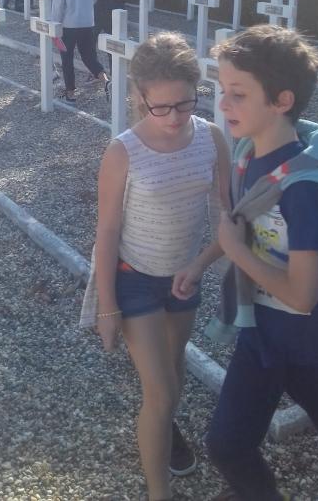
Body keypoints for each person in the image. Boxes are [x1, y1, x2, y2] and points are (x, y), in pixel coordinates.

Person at [207, 25, 318, 501]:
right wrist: (200, 261)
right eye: (222, 91)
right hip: (263, 335)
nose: (224, 105)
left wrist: (235, 251)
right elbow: (240, 226)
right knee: (227, 444)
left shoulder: (304, 188)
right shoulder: (249, 153)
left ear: (281, 101)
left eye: (238, 94)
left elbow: (304, 295)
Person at [80, 32, 231, 501]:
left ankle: (165, 431)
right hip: (135, 279)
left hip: (184, 280)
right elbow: (106, 233)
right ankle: (158, 493)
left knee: (173, 374)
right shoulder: (123, 151)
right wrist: (108, 308)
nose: (171, 118)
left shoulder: (211, 138)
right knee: (162, 393)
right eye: (158, 107)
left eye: (183, 105)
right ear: (139, 97)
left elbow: (226, 213)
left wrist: (202, 264)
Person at [50, 0, 109, 104]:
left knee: (67, 58)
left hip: (69, 24)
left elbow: (58, 3)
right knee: (89, 57)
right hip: (87, 22)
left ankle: (70, 93)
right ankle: (105, 80)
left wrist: (54, 25)